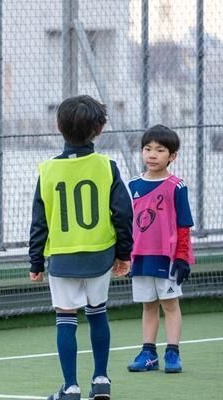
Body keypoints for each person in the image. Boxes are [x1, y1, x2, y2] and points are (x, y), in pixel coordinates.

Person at [29, 95, 133, 400]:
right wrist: (124, 253)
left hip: (62, 258)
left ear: (58, 127)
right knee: (98, 313)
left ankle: (70, 387)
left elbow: (40, 221)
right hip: (100, 254)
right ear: (99, 129)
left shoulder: (47, 170)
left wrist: (35, 261)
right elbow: (123, 213)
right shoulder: (107, 167)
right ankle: (101, 381)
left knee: (66, 318)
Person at [126, 124, 194, 374]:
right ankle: (148, 354)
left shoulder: (177, 186)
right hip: (140, 258)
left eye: (160, 150)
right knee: (148, 305)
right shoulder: (133, 185)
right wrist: (123, 254)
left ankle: (173, 353)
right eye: (147, 148)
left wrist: (182, 257)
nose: (152, 154)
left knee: (170, 305)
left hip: (168, 258)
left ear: (172, 156)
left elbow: (184, 224)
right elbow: (127, 222)